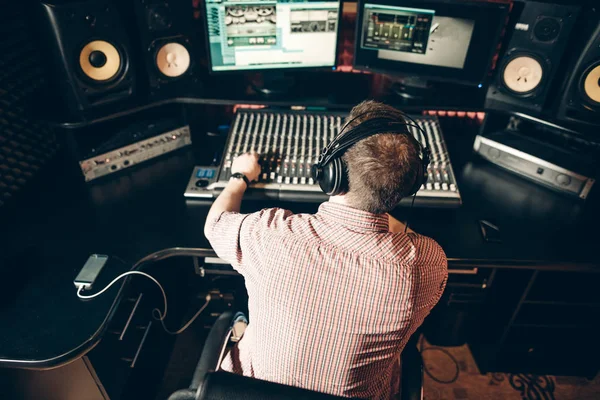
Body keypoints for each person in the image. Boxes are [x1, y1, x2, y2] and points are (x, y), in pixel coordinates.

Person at [204, 100, 448, 399]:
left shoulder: (269, 233)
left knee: (243, 315)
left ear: (331, 173)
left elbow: (215, 223)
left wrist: (239, 178)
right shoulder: (426, 263)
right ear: (411, 186)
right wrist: (382, 202)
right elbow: (408, 238)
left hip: (249, 392)